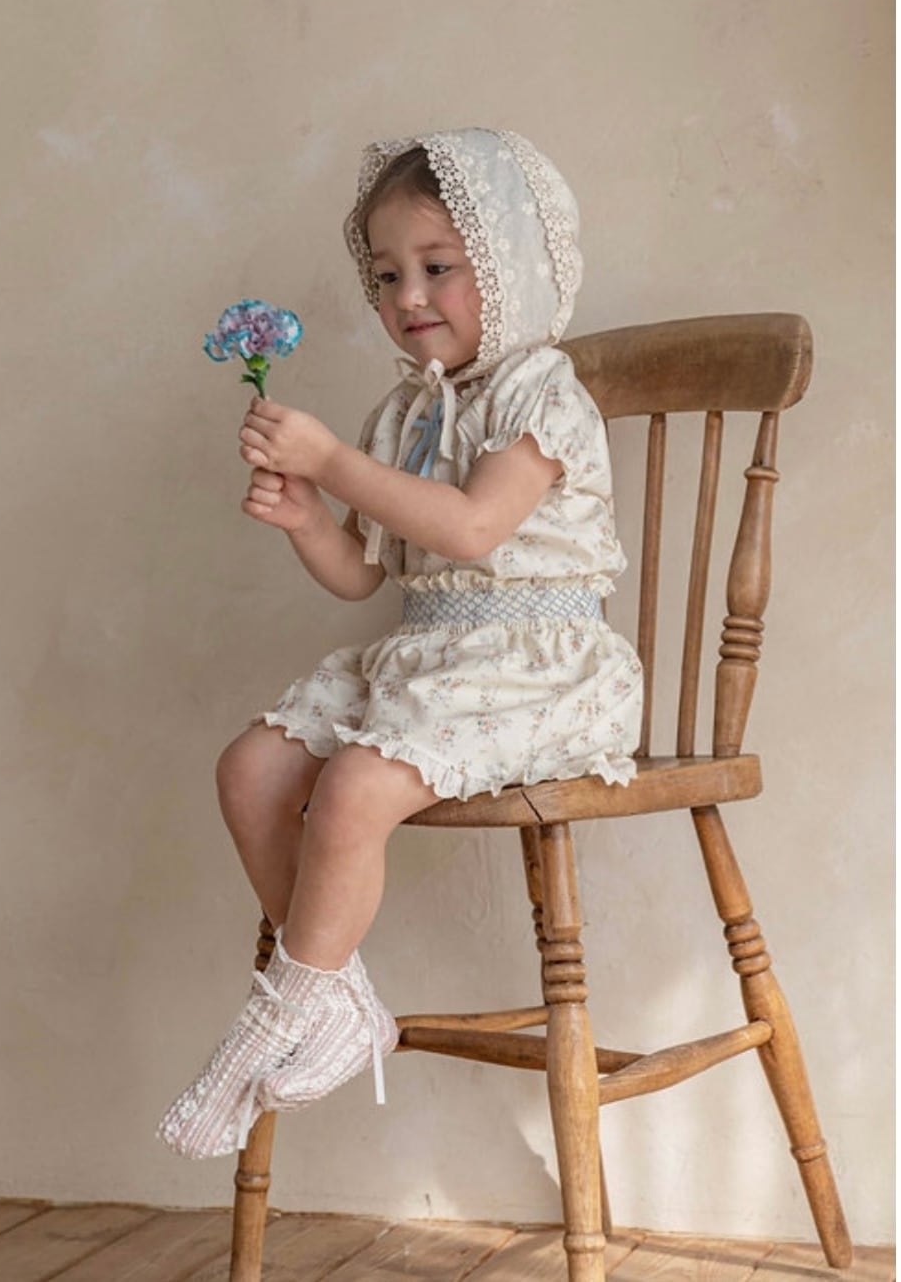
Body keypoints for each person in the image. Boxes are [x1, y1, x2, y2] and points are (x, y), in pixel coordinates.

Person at [158, 127, 644, 1160]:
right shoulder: (407, 411)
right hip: (428, 660)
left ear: (508, 268)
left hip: (538, 667)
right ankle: (337, 999)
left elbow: (469, 529)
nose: (409, 296)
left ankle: (278, 1018)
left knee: (354, 787)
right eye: (386, 276)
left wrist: (331, 458)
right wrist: (307, 516)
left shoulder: (541, 390)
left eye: (438, 267)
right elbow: (362, 575)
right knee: (250, 767)